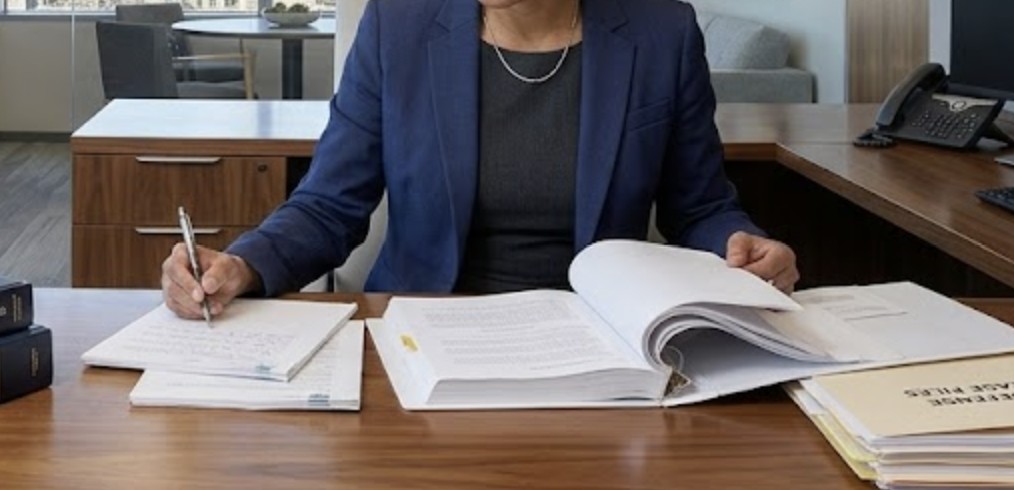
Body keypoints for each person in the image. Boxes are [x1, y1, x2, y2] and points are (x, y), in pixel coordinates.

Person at [162, 0, 799, 319]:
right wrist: (244, 265)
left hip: (599, 335)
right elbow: (329, 204)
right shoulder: (399, 26)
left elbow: (700, 206)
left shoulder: (662, 33)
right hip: (425, 325)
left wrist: (742, 246)